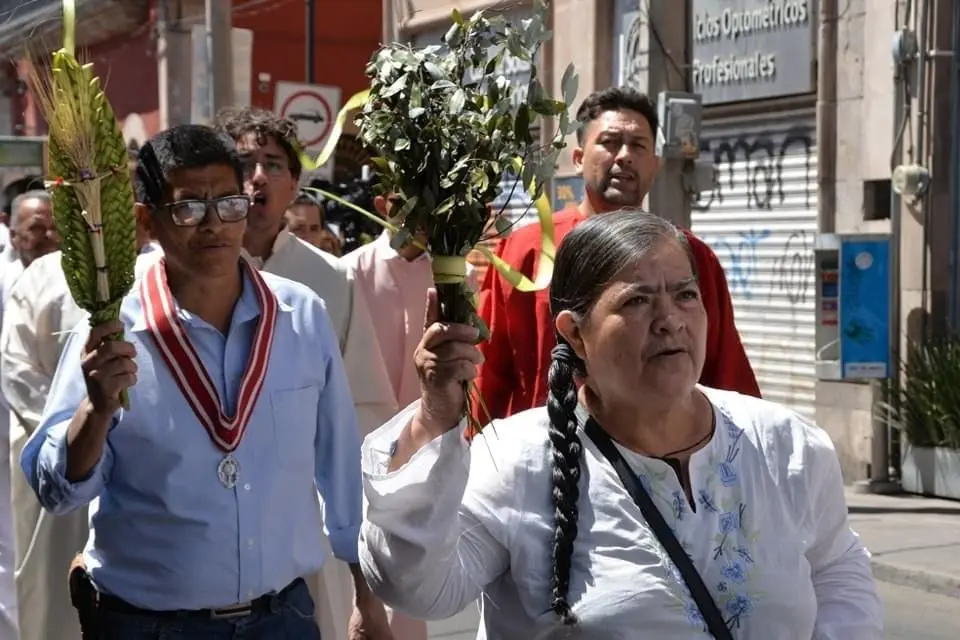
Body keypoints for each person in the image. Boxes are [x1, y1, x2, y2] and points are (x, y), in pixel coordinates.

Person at [358, 210, 883, 638]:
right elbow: (415, 586)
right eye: (636, 300)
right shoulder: (515, 458)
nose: (669, 319)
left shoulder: (784, 445)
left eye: (685, 294)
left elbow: (837, 571)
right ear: (575, 333)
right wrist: (433, 415)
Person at [20, 124, 388, 637]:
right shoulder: (111, 328)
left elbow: (341, 467)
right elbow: (57, 490)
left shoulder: (300, 314)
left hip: (281, 618)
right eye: (189, 207)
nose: (214, 225)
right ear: (147, 220)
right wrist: (95, 409)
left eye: (228, 204)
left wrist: (366, 599)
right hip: (147, 624)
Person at [475, 87, 760, 424]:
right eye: (610, 142)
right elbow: (488, 371)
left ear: (655, 164)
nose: (624, 155)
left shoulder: (691, 257)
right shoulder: (526, 249)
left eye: (638, 145)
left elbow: (725, 373)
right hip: (545, 455)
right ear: (579, 158)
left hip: (661, 459)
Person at [215, 106, 395, 640]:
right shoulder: (193, 269)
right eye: (244, 161)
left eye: (273, 163)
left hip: (303, 510)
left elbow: (361, 406)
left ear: (294, 183)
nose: (258, 177)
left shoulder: (328, 280)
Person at [1, 249, 86, 640]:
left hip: (144, 465)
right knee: (53, 599)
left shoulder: (163, 268)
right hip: (55, 450)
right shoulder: (45, 274)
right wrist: (77, 434)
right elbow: (16, 367)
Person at [285, 191, 342, 256]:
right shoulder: (273, 264)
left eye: (314, 229)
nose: (308, 238)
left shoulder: (331, 265)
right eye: (298, 229)